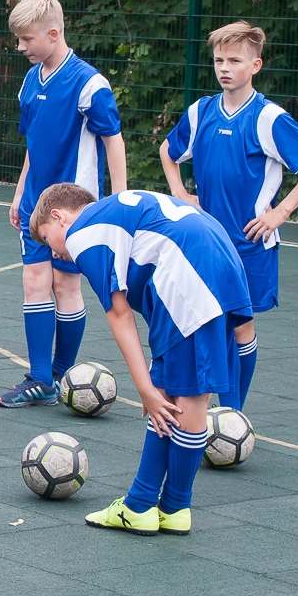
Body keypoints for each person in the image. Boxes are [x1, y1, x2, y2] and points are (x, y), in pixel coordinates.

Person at [30, 184, 252, 536]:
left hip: (188, 270)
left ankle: (175, 505)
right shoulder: (115, 211)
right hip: (217, 255)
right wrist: (153, 384)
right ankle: (145, 503)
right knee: (171, 384)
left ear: (59, 217)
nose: (55, 252)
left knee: (188, 395)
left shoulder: (83, 233)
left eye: (47, 238)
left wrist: (143, 387)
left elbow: (119, 314)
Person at [160, 22, 298, 412]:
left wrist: (282, 212)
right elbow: (167, 151)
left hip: (250, 242)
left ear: (255, 65)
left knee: (240, 326)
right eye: (219, 59)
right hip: (205, 240)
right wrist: (179, 192)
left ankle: (232, 414)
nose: (224, 67)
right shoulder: (200, 110)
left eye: (234, 60)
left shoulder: (268, 118)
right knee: (210, 323)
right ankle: (217, 411)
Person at [0, 0, 127, 407]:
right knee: (34, 279)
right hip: (37, 202)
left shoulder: (89, 83)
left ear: (53, 34)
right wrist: (20, 194)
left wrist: (120, 200)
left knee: (66, 286)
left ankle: (59, 373)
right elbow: (32, 147)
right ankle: (39, 378)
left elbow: (114, 140)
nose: (20, 47)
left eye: (27, 40)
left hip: (74, 208)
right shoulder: (29, 81)